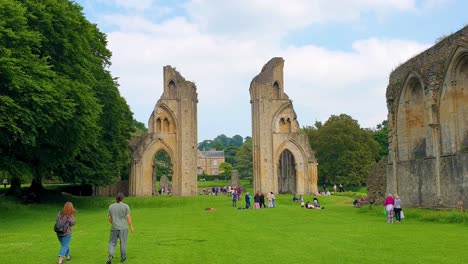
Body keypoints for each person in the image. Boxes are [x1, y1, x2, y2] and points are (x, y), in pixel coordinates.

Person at [107, 193, 135, 264]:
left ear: (116, 198)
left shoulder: (111, 206)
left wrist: (114, 223)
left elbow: (109, 218)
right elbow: (128, 217)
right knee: (123, 243)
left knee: (112, 242)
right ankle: (123, 258)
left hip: (114, 228)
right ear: (123, 198)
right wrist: (131, 226)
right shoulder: (126, 206)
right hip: (123, 228)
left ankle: (110, 255)